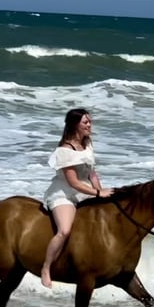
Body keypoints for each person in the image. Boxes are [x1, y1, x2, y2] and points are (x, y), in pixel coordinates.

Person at [41, 108, 114, 288]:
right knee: (64, 230)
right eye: (85, 122)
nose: (90, 125)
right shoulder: (65, 150)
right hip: (63, 194)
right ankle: (46, 268)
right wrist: (97, 193)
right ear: (75, 125)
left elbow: (92, 174)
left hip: (85, 192)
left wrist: (100, 190)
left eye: (90, 121)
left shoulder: (87, 144)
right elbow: (73, 182)